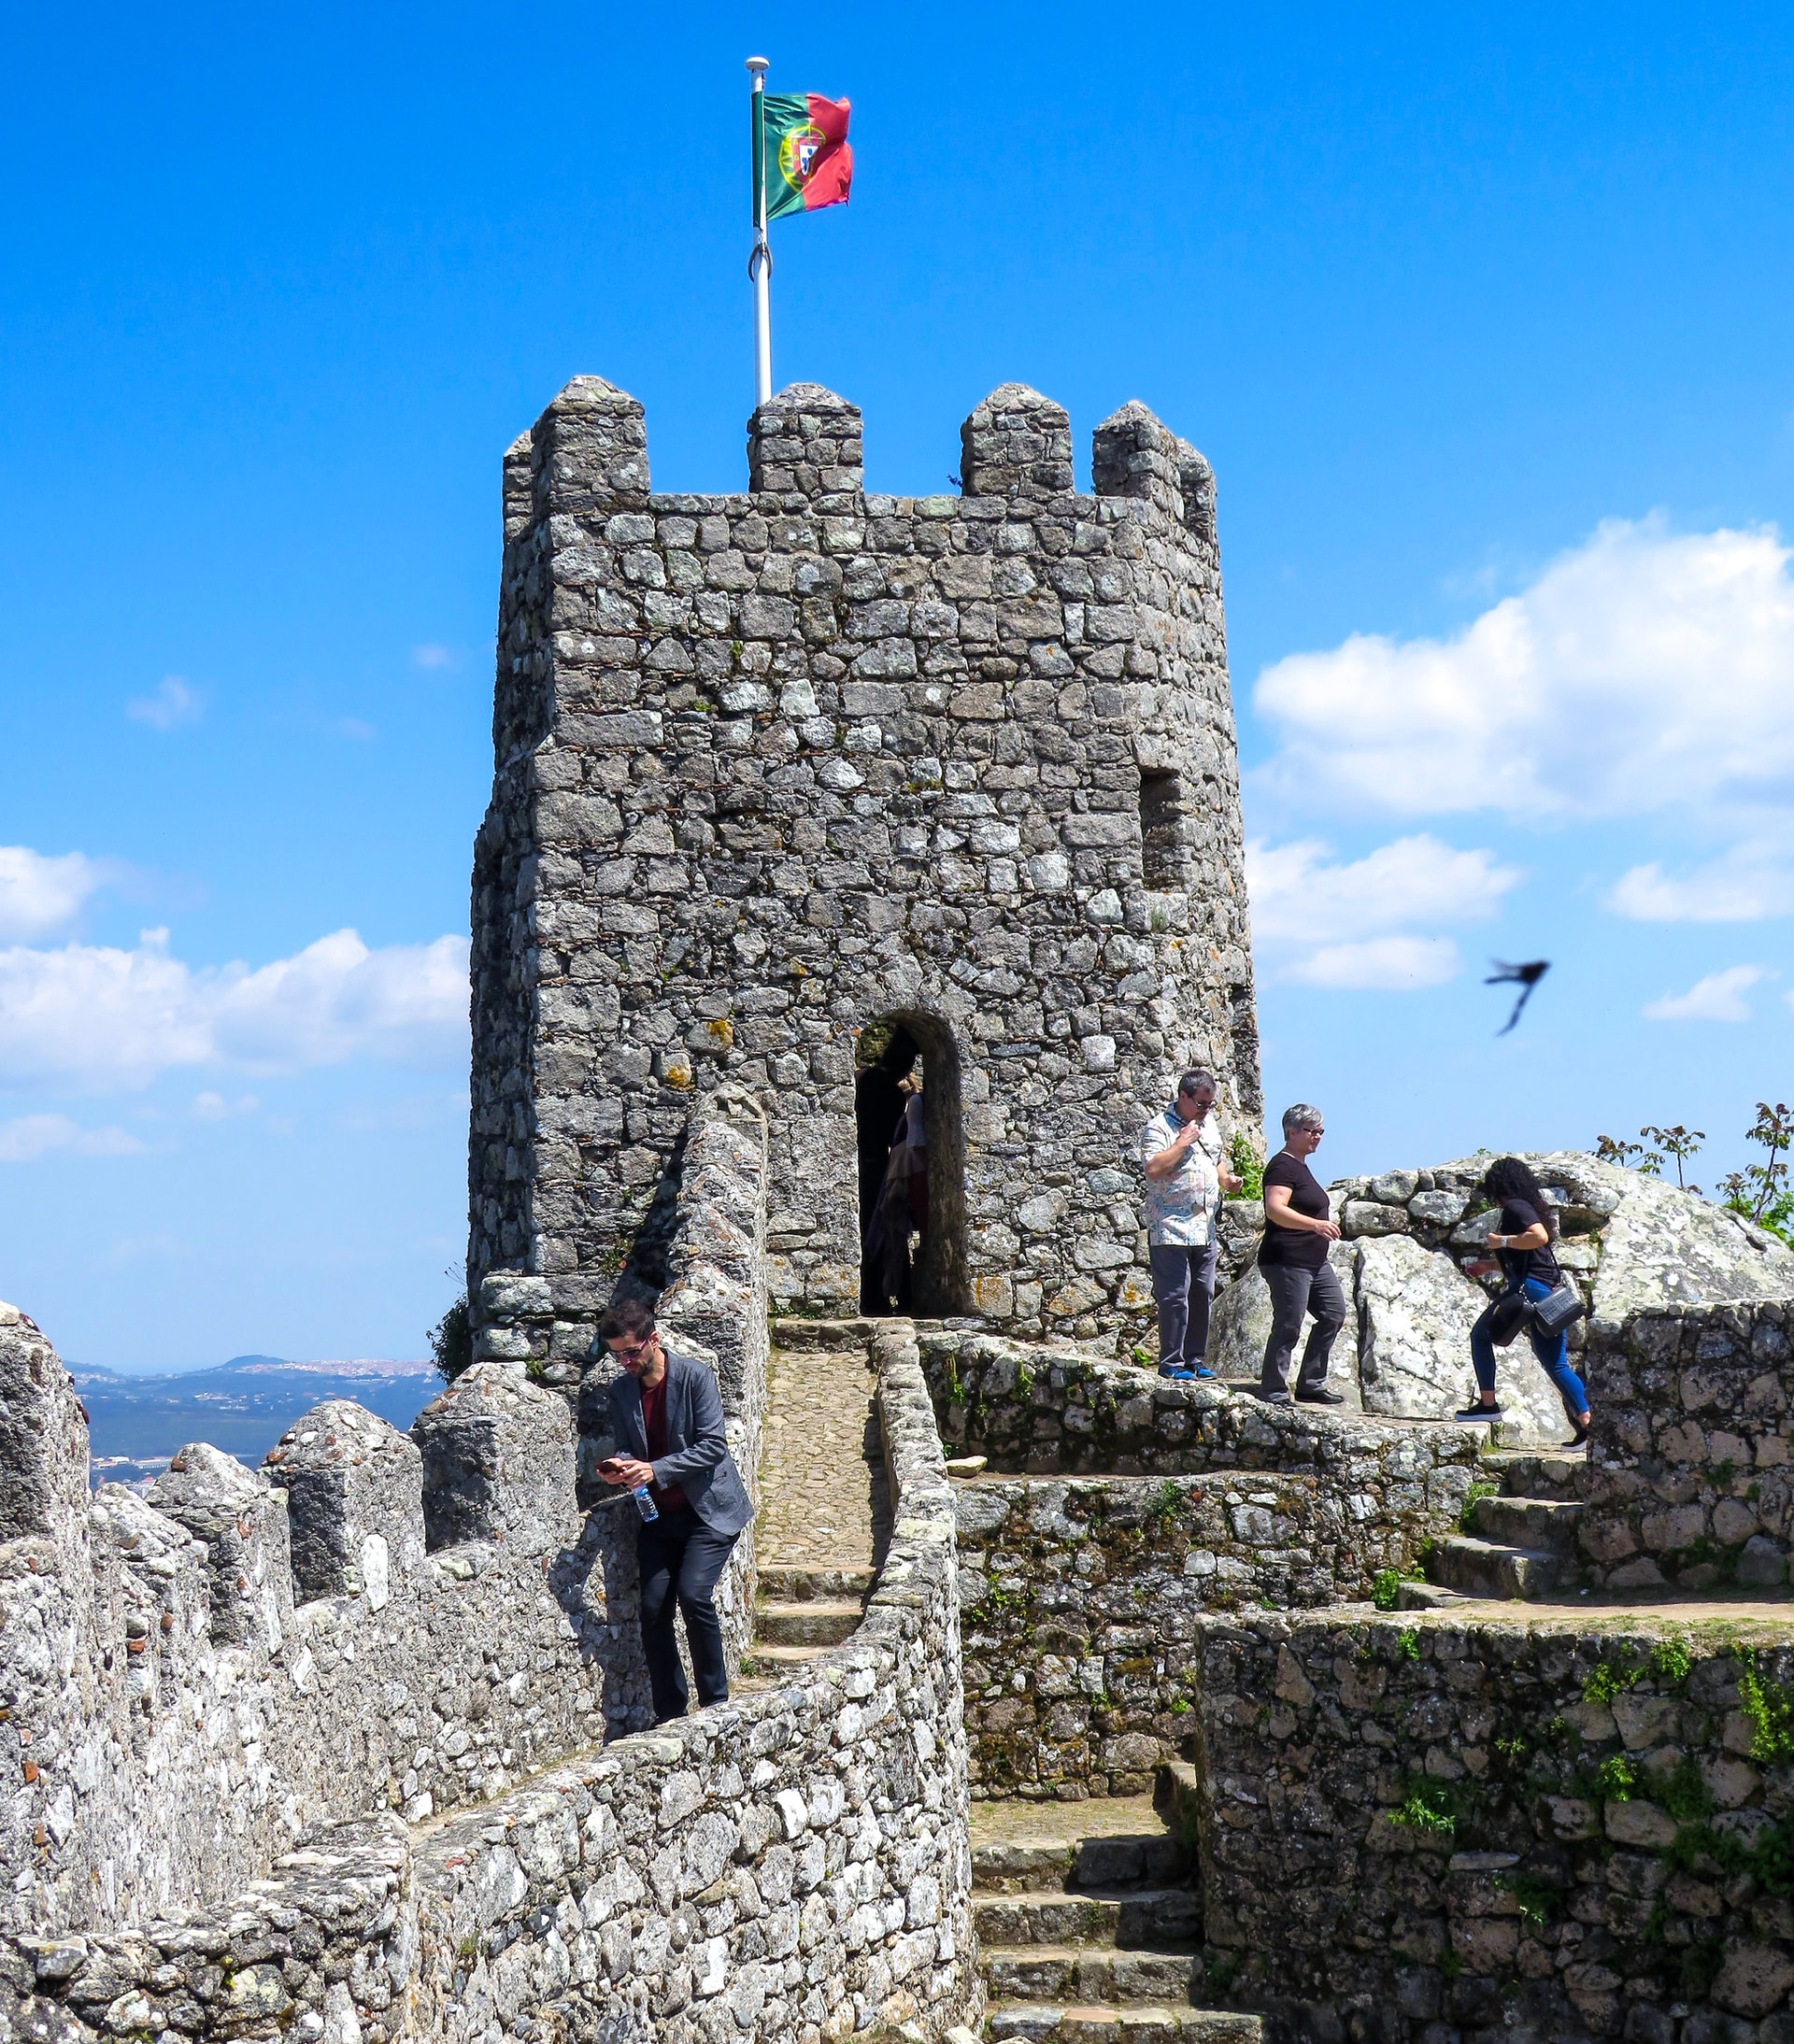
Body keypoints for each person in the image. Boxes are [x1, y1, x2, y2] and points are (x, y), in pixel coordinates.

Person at [598, 1297, 755, 1723]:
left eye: (631, 1352)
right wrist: (624, 1465)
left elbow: (712, 1446)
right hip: (659, 1518)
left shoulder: (694, 1378)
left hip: (709, 1513)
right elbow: (631, 1442)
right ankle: (670, 1714)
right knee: (652, 1609)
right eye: (617, 1355)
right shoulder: (621, 1390)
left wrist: (654, 1469)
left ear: (654, 1339)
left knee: (693, 1594)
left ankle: (715, 1703)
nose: (625, 1362)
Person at [1457, 1156, 1592, 1448]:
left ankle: (1488, 1405)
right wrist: (1489, 1265)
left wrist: (1501, 1241)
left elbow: (1538, 1237)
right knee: (1556, 1363)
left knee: (1481, 1336)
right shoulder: (1529, 1207)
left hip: (1528, 1289)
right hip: (1547, 1291)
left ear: (1500, 1185)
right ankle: (1589, 1426)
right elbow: (1528, 1255)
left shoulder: (1515, 1207)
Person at [1141, 1070, 1241, 1380]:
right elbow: (1154, 1169)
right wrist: (1183, 1141)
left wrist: (1226, 1180)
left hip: (1205, 1227)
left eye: (1210, 1104)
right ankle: (1171, 1362)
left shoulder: (1208, 1124)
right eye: (1200, 1103)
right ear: (1182, 1096)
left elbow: (1216, 1159)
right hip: (1170, 1226)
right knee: (1175, 1296)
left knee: (1202, 1292)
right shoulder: (1158, 1127)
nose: (1205, 1110)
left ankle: (1195, 1359)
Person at [1257, 1103, 1346, 1404]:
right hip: (1287, 1259)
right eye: (1311, 1131)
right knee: (1288, 1323)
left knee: (1333, 1314)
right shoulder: (1282, 1166)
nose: (1317, 1136)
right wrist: (1316, 1225)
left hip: (1314, 1262)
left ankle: (1310, 1383)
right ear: (1291, 1132)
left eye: (1320, 1131)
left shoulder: (1300, 1167)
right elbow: (1275, 1209)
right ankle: (1274, 1389)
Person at [857, 1029, 919, 1311]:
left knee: (870, 1230)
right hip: (883, 1166)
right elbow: (893, 1136)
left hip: (863, 1163)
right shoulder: (893, 1094)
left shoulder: (863, 1080)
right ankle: (897, 1296)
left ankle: (873, 1297)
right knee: (889, 1229)